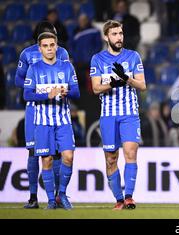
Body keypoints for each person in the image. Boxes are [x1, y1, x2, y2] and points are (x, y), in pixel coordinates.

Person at [90, 20, 146, 210]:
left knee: (130, 152)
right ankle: (119, 199)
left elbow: (143, 85)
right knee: (111, 158)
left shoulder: (133, 56)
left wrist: (126, 78)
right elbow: (96, 88)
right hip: (108, 116)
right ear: (106, 37)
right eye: (114, 34)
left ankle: (129, 197)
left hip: (130, 114)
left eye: (120, 33)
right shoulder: (97, 59)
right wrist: (113, 84)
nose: (119, 37)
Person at [15, 21, 70, 209]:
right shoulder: (27, 54)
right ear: (38, 39)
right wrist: (39, 89)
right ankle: (32, 197)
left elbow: (68, 78)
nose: (52, 43)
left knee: (54, 154)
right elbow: (17, 79)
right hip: (34, 109)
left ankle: (55, 196)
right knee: (33, 152)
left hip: (56, 109)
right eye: (47, 37)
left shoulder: (62, 53)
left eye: (54, 38)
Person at [23, 32, 80, 209]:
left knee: (68, 157)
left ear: (57, 46)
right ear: (40, 49)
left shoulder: (67, 67)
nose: (49, 48)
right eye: (45, 46)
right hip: (42, 122)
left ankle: (61, 194)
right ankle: (50, 200)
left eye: (52, 45)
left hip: (63, 121)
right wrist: (47, 94)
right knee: (46, 160)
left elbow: (77, 93)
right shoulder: (34, 68)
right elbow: (26, 94)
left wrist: (66, 92)